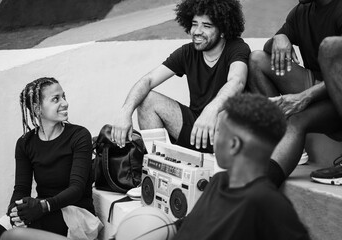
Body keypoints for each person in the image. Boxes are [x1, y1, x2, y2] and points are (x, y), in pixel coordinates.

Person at [112, 0, 250, 153]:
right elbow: (148, 80)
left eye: (206, 26)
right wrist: (125, 112)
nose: (197, 31)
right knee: (146, 99)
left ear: (223, 30)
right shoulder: (187, 52)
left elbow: (237, 81)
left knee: (227, 114)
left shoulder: (237, 48)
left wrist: (211, 110)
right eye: (194, 24)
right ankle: (159, 164)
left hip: (226, 132)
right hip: (195, 129)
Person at [173, 93, 310, 240]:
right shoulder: (218, 181)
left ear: (233, 144)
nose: (212, 135)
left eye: (218, 130)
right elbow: (190, 225)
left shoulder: (267, 202)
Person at [0, 77, 102, 240]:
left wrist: (43, 206)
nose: (65, 103)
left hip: (75, 213)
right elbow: (21, 189)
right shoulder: (25, 143)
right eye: (56, 99)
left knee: (13, 236)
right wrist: (14, 210)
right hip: (41, 210)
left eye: (63, 96)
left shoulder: (79, 136)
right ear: (37, 109)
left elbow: (77, 189)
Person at [247, 0, 342, 187]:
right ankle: (279, 141)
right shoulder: (301, 11)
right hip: (315, 85)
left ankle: (254, 194)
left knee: (297, 121)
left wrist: (303, 98)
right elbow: (271, 50)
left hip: (337, 96)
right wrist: (280, 37)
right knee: (256, 60)